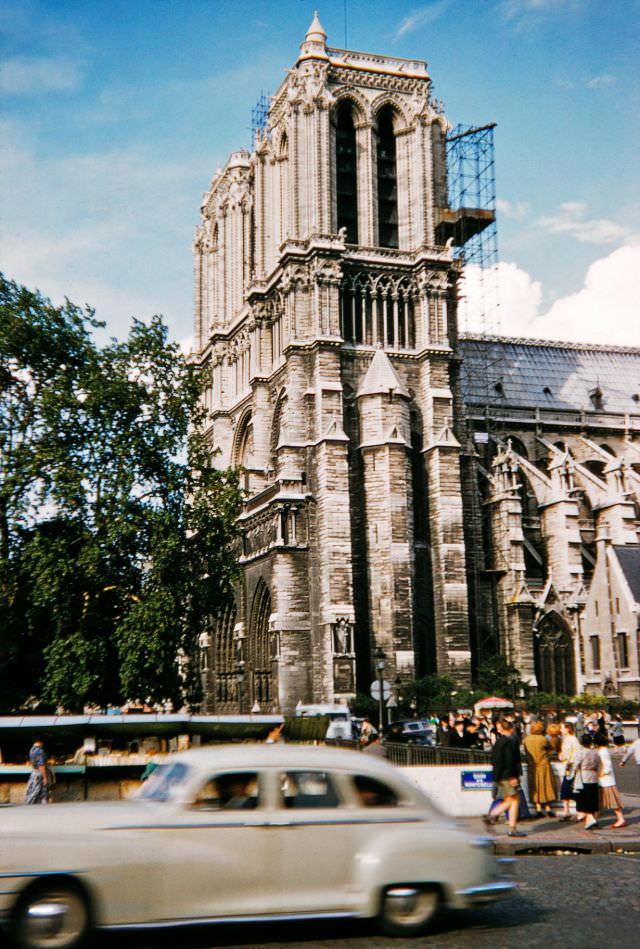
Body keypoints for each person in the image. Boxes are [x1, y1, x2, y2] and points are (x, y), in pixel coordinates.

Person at [484, 717, 526, 837]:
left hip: (500, 775)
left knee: (510, 800)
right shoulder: (510, 742)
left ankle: (510, 826)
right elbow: (509, 760)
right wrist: (512, 776)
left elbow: (495, 759)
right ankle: (501, 822)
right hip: (507, 775)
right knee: (514, 800)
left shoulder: (499, 741)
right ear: (512, 729)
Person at [523, 720, 557, 817]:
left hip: (532, 766)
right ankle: (548, 808)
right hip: (544, 765)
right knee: (545, 786)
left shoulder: (527, 740)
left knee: (535, 787)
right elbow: (551, 749)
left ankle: (538, 808)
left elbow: (526, 752)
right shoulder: (543, 739)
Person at [594, 733, 626, 828]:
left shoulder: (603, 751)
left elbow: (607, 765)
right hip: (603, 780)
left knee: (613, 801)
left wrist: (601, 774)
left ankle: (621, 819)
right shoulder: (601, 750)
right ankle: (593, 819)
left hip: (606, 781)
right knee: (600, 801)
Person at [572, 733, 600, 829]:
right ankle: (591, 818)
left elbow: (575, 765)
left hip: (583, 777)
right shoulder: (595, 752)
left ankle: (590, 818)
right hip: (594, 776)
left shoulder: (580, 752)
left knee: (584, 799)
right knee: (592, 799)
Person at [558, 721, 581, 820]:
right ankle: (567, 811)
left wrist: (564, 758)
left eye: (562, 728)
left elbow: (575, 754)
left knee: (570, 789)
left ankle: (578, 811)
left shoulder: (572, 740)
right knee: (565, 790)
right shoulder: (566, 739)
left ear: (568, 729)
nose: (560, 730)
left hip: (571, 768)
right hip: (567, 768)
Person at [24, 739, 50, 805]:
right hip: (39, 774)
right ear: (40, 742)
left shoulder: (32, 750)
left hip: (34, 772)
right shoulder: (39, 751)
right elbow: (41, 765)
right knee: (38, 792)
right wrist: (45, 777)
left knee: (33, 791)